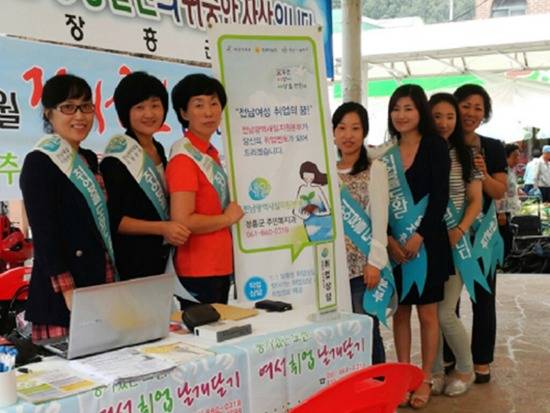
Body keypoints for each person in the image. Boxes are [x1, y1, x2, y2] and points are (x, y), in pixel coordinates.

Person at [20, 74, 116, 343]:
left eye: (86, 106)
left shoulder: (88, 159)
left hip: (99, 281)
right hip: (63, 296)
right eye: (68, 107)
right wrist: (69, 293)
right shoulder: (39, 162)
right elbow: (45, 236)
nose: (80, 116)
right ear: (48, 113)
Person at [382, 85, 451, 409]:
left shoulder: (435, 146)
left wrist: (419, 234)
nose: (401, 115)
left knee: (427, 314)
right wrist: (389, 239)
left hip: (428, 243)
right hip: (395, 246)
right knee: (400, 312)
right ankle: (402, 378)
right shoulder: (385, 154)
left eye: (408, 108)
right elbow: (378, 203)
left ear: (420, 111)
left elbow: (440, 197)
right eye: (396, 108)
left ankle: (424, 378)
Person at [100, 72, 189, 280]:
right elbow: (114, 220)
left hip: (163, 258)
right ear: (125, 113)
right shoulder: (116, 159)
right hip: (132, 262)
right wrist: (162, 228)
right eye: (139, 107)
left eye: (155, 105)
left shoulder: (158, 148)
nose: (149, 114)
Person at [446, 84, 507, 384]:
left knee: (483, 298)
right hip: (449, 233)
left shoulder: (492, 147)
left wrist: (482, 173)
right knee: (448, 302)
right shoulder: (441, 143)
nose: (471, 113)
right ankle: (449, 356)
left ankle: (481, 361)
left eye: (478, 108)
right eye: (465, 105)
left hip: (482, 236)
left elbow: (499, 191)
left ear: (485, 114)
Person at [167, 74, 244, 306]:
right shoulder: (184, 158)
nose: (209, 112)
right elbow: (183, 220)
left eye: (214, 103)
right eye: (199, 105)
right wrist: (227, 219)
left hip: (218, 264)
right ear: (184, 113)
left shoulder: (208, 153)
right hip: (199, 268)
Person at [429, 93, 483, 397]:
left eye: (449, 116)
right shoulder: (421, 151)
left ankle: (465, 368)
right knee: (428, 313)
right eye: (437, 116)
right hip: (427, 244)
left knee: (444, 312)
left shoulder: (467, 155)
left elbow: (476, 200)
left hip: (456, 242)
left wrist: (460, 229)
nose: (444, 123)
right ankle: (435, 371)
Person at [332, 102, 389, 365]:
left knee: (367, 330)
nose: (348, 135)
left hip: (362, 268)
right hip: (333, 268)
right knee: (339, 334)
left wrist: (375, 262)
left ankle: (379, 383)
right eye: (342, 128)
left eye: (355, 128)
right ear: (333, 132)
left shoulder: (375, 169)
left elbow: (380, 218)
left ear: (364, 132)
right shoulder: (326, 169)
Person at [292, 161, 333, 242]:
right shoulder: (302, 189)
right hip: (310, 224)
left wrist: (319, 213)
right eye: (306, 175)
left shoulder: (317, 189)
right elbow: (295, 210)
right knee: (315, 243)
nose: (308, 178)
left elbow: (328, 211)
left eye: (310, 174)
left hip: (325, 222)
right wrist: (303, 216)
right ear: (302, 175)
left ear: (314, 174)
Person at [496, 143, 522, 257]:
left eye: (518, 156)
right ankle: (504, 259)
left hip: (509, 209)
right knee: (505, 236)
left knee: (508, 235)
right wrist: (501, 212)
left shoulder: (511, 170)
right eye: (515, 156)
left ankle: (507, 258)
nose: (518, 159)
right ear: (506, 156)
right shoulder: (502, 171)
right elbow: (500, 192)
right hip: (502, 210)